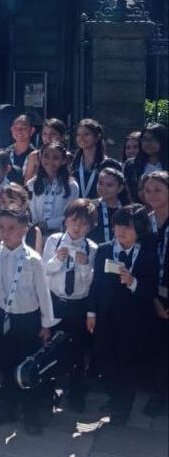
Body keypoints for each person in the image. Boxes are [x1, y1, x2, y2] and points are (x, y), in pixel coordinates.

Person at [0, 205, 56, 435]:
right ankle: (7, 408)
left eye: (12, 228)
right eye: (1, 228)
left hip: (29, 321)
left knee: (28, 369)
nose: (5, 233)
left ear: (24, 229)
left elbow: (43, 293)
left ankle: (31, 414)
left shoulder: (32, 259)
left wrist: (46, 324)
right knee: (7, 367)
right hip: (5, 318)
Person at [87, 203, 159, 424]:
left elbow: (151, 290)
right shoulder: (105, 249)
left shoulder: (148, 254)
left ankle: (123, 406)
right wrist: (91, 312)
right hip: (106, 316)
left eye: (127, 228)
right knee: (104, 359)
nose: (121, 232)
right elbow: (96, 284)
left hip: (133, 320)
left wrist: (132, 282)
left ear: (139, 230)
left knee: (126, 363)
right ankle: (115, 395)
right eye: (118, 226)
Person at [42, 199, 97, 411]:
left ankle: (76, 393)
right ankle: (47, 391)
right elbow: (44, 271)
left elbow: (90, 283)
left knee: (78, 349)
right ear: (65, 221)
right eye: (74, 221)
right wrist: (57, 260)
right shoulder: (54, 241)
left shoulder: (91, 248)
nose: (77, 227)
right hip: (55, 301)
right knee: (49, 347)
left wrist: (84, 266)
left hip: (78, 305)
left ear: (90, 227)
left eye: (83, 224)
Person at [143, 171, 169, 416]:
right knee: (156, 346)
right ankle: (157, 393)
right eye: (148, 191)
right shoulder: (144, 220)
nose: (153, 195)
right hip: (150, 292)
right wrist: (152, 298)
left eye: (158, 190)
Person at [26, 143, 79, 236]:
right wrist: (38, 227)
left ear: (63, 160)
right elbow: (32, 212)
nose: (50, 161)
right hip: (37, 233)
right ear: (40, 158)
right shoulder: (31, 184)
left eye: (56, 158)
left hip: (61, 234)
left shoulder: (71, 186)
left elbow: (70, 215)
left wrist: (48, 224)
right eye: (46, 156)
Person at [71, 118, 112, 201]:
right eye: (78, 134)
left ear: (97, 137)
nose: (81, 138)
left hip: (99, 209)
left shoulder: (107, 164)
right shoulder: (73, 162)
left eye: (86, 134)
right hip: (76, 209)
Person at [124, 123, 167, 201]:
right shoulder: (132, 165)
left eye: (153, 139)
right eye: (145, 139)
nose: (148, 143)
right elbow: (128, 193)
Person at [88, 166, 128, 245]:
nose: (103, 188)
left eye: (109, 185)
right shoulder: (89, 207)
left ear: (120, 188)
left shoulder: (127, 210)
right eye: (100, 183)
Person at [6, 114, 37, 184]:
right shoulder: (6, 153)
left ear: (32, 130)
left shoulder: (36, 155)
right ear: (12, 130)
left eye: (24, 128)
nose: (19, 131)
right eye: (16, 128)